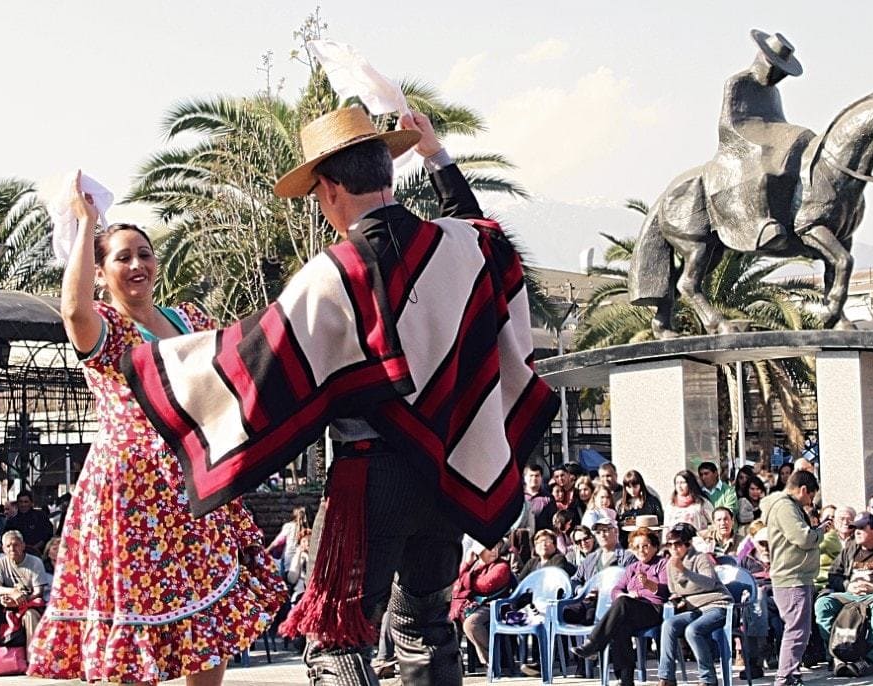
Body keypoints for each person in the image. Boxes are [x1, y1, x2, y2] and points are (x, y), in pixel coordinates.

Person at [121, 107, 558, 685]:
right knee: (424, 626)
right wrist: (438, 157)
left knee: (335, 642)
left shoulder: (336, 272)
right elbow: (480, 232)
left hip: (370, 481)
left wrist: (152, 365)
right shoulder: (460, 247)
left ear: (327, 189)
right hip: (449, 473)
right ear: (390, 175)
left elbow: (255, 360)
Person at [27, 172, 285, 685]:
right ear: (99, 273)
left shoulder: (188, 316)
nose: (137, 264)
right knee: (133, 615)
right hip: (132, 493)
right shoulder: (104, 325)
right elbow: (72, 308)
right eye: (121, 257)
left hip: (196, 482)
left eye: (144, 253)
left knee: (207, 616)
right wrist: (87, 223)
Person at [570, 527, 669, 686]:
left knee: (622, 606)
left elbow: (664, 591)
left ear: (655, 546)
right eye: (636, 547)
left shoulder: (662, 563)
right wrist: (625, 595)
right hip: (632, 608)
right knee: (619, 625)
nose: (641, 550)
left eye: (645, 546)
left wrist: (648, 584)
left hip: (653, 609)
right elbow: (617, 590)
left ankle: (593, 644)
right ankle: (625, 679)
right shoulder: (632, 568)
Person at [814, 511, 873, 673]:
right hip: (849, 595)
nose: (856, 532)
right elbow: (833, 575)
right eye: (854, 528)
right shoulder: (850, 548)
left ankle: (868, 657)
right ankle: (838, 653)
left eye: (861, 528)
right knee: (823, 604)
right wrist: (847, 585)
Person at [761, 470, 827, 686]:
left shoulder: (785, 505)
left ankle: (792, 672)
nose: (810, 503)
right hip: (792, 577)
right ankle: (785, 677)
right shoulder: (785, 506)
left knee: (800, 629)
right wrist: (820, 531)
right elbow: (803, 537)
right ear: (803, 490)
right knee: (797, 630)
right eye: (810, 497)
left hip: (797, 576)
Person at [657, 523, 732, 686]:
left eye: (677, 544)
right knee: (668, 625)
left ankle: (708, 679)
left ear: (687, 544)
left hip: (717, 605)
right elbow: (674, 589)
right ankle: (667, 677)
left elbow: (709, 583)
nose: (673, 548)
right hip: (695, 609)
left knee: (693, 631)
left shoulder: (701, 558)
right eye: (670, 545)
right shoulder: (670, 564)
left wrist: (684, 571)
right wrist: (677, 599)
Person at [449, 540, 512, 671]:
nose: (494, 551)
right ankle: (454, 663)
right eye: (489, 548)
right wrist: (467, 564)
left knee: (471, 624)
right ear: (479, 552)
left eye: (496, 548)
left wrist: (469, 577)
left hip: (493, 606)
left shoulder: (502, 566)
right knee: (450, 621)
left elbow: (485, 585)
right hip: (473, 605)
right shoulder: (474, 566)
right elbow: (457, 580)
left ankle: (492, 659)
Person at [563, 517, 636, 625]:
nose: (602, 535)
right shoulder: (591, 558)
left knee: (591, 618)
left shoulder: (627, 557)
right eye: (598, 532)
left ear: (615, 531)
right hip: (588, 601)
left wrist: (604, 592)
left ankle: (590, 641)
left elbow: (631, 584)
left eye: (606, 530)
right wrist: (582, 590)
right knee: (564, 612)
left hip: (611, 604)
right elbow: (575, 580)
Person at [0, 530, 49, 652]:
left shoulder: (35, 562)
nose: (12, 549)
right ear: (3, 549)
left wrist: (21, 600)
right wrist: (12, 593)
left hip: (30, 604)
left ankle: (32, 658)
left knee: (30, 616)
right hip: (7, 604)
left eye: (15, 545)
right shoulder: (0, 563)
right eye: (8, 546)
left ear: (22, 545)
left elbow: (38, 591)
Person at [0, 491, 53, 558]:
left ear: (31, 503)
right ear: (17, 504)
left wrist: (35, 548)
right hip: (19, 555)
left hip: (40, 554)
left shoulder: (41, 517)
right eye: (21, 502)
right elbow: (5, 538)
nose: (23, 504)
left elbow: (48, 535)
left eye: (26, 502)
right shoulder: (12, 522)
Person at [817, 506, 854, 586]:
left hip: (853, 583)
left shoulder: (860, 540)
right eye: (842, 519)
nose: (845, 522)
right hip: (828, 583)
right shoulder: (826, 539)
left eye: (849, 519)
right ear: (835, 522)